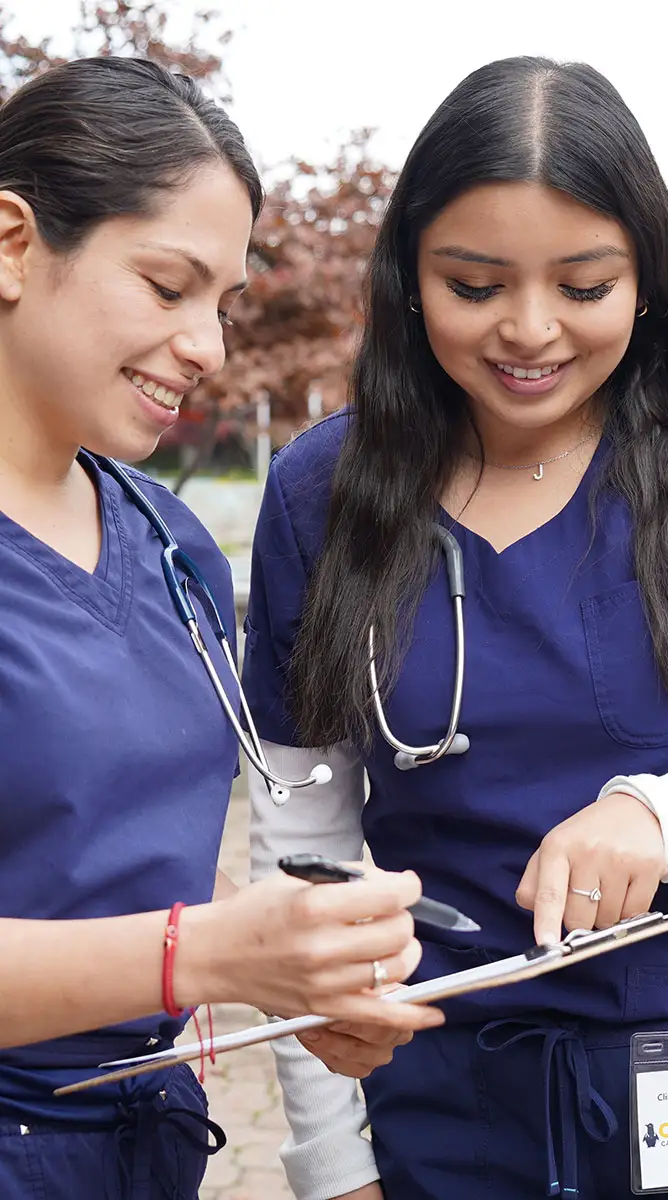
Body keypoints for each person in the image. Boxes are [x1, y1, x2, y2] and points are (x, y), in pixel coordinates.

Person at [244, 55, 668, 1200]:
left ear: (646, 277)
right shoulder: (321, 493)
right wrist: (330, 1157)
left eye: (583, 288)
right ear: (408, 277)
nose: (529, 331)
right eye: (474, 284)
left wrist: (665, 814)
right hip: (439, 1102)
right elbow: (296, 845)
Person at [0, 55, 443, 1200]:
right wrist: (201, 953)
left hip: (146, 1141)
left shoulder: (172, 544)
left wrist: (296, 976)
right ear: (11, 242)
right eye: (167, 284)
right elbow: (176, 940)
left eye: (225, 303)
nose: (209, 346)